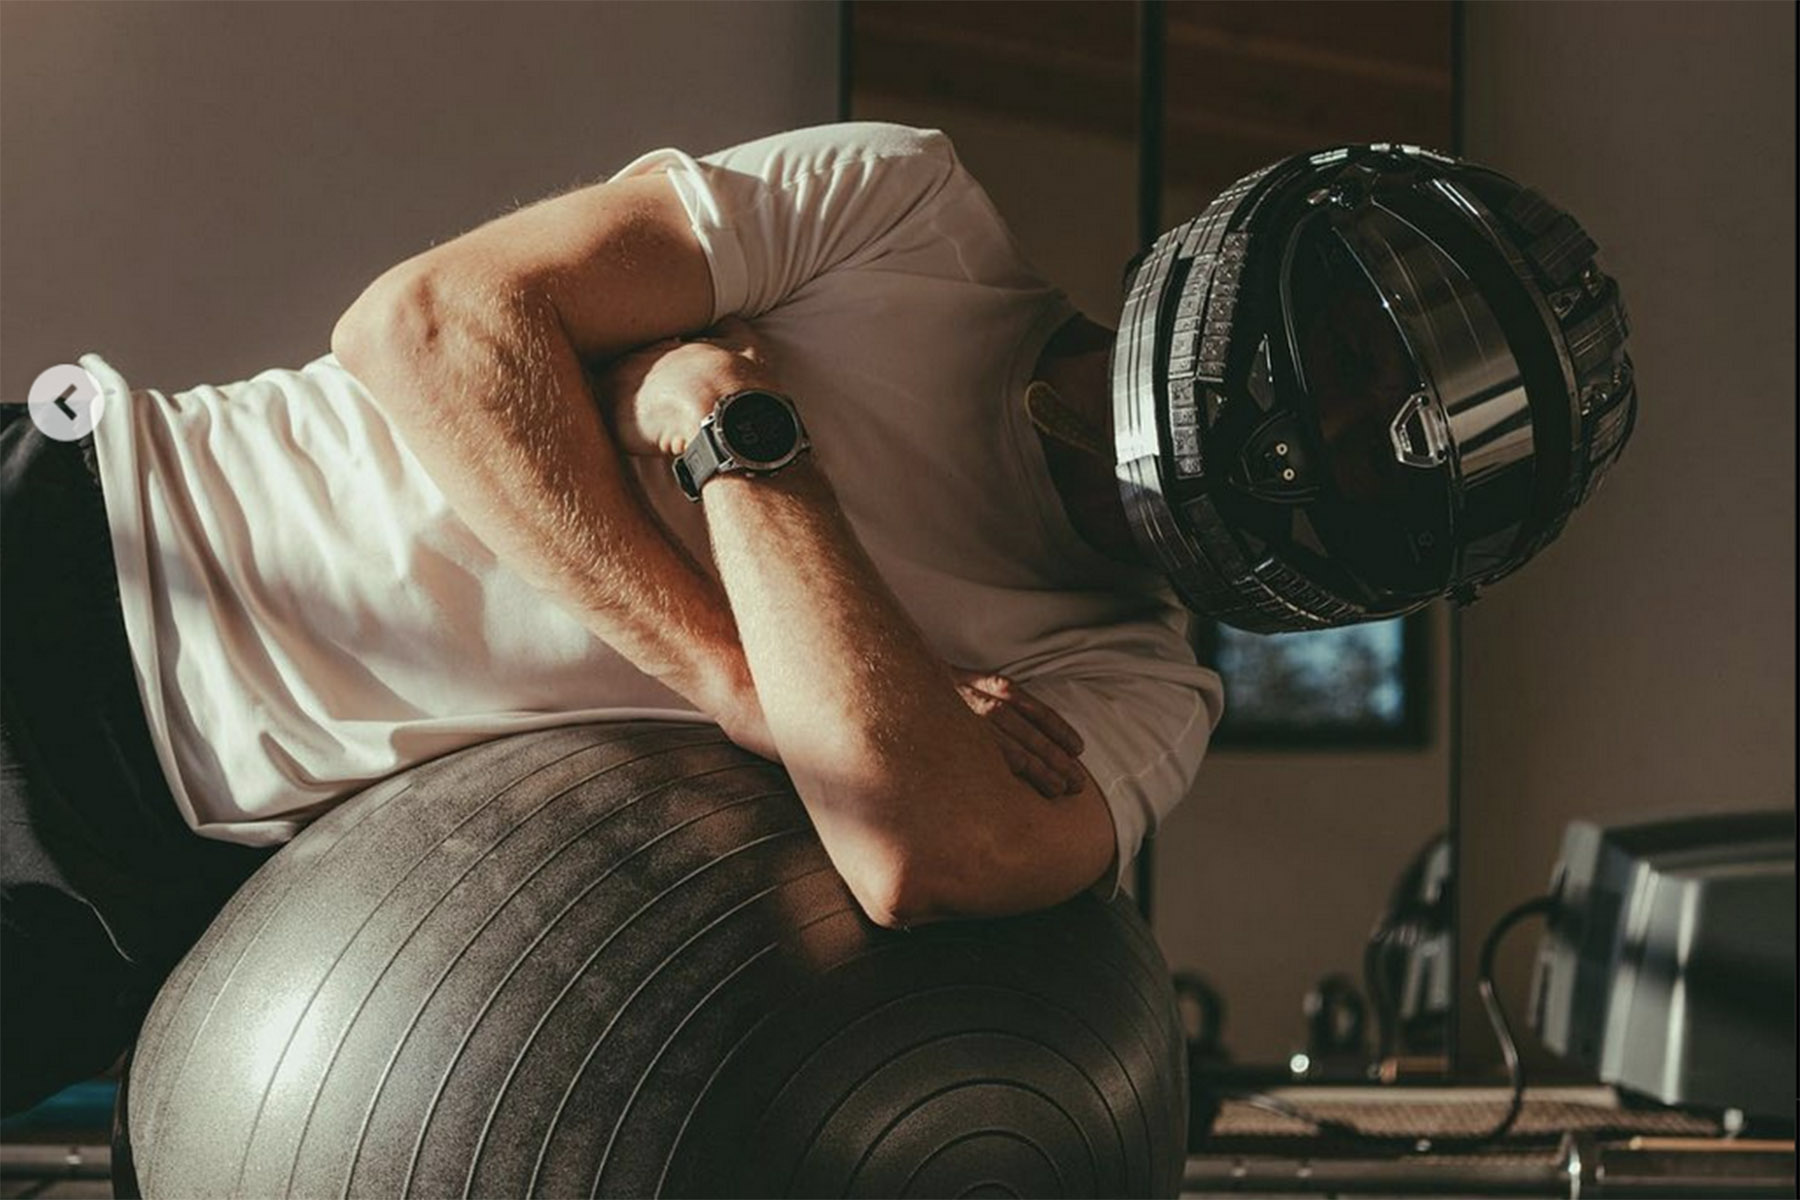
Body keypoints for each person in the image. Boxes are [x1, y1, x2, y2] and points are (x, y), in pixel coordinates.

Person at [0, 122, 1635, 1114]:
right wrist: (771, 683)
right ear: (1280, 263)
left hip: (173, 886)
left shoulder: (1133, 692)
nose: (1313, 439)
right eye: (1348, 373)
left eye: (1368, 461)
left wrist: (728, 430)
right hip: (99, 542)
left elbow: (922, 852)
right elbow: (426, 327)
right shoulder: (901, 214)